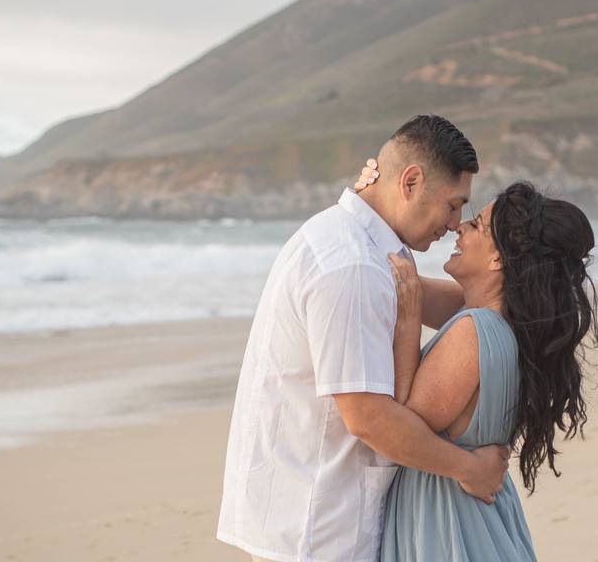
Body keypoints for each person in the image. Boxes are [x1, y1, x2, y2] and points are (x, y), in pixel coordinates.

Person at [217, 115, 512, 562]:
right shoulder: (351, 265)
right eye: (453, 205)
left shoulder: (362, 247)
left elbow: (473, 308)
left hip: (312, 513)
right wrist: (470, 469)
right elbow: (368, 418)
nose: (455, 223)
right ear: (410, 181)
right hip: (317, 526)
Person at [355, 163, 598, 561]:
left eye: (477, 226)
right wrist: (376, 195)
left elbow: (400, 425)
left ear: (498, 261)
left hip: (448, 520)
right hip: (473, 512)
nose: (458, 228)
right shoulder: (508, 323)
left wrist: (408, 325)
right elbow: (397, 284)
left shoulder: (474, 331)